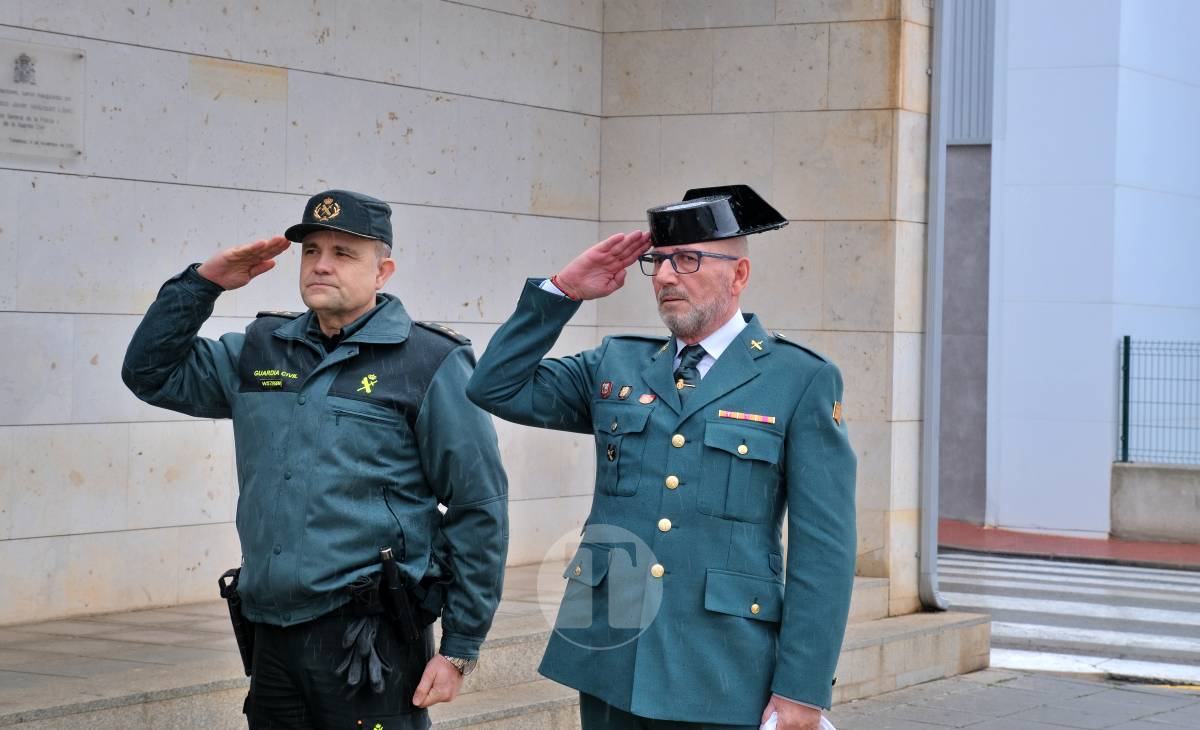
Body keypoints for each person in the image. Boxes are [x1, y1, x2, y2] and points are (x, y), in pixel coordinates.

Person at [466, 185, 856, 730]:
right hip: (610, 646)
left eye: (689, 259)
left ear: (738, 275)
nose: (668, 276)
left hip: (722, 664)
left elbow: (825, 551)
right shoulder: (616, 364)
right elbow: (494, 387)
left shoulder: (798, 379)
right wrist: (562, 291)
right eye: (659, 261)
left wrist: (803, 689)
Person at [122, 189, 509, 729]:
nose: (322, 265)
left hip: (370, 642)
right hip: (272, 632)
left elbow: (477, 504)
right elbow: (149, 374)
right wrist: (201, 284)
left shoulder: (430, 361)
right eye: (311, 251)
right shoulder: (259, 348)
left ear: (383, 271)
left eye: (344, 253)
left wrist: (461, 645)